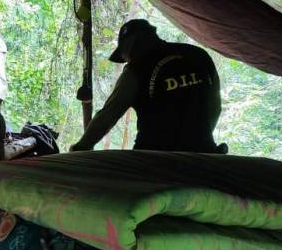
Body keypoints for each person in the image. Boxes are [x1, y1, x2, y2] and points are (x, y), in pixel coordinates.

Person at [69, 19, 223, 153]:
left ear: (130, 44)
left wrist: (81, 147)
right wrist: (198, 140)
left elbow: (110, 114)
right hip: (203, 154)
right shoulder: (198, 55)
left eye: (124, 55)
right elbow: (215, 107)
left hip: (153, 160)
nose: (127, 60)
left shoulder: (137, 68)